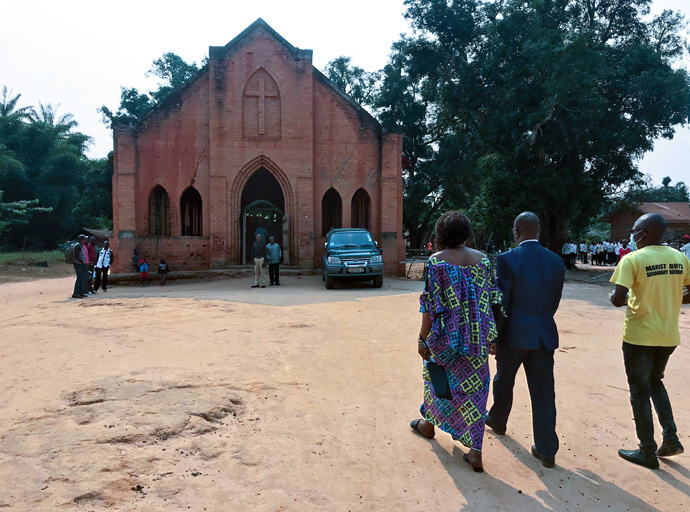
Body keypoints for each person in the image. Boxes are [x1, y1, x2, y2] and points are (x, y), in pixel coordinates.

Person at [410, 211, 504, 473]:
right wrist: (492, 336)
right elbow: (492, 299)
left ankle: (429, 425)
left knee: (436, 381)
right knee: (476, 392)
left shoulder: (436, 263)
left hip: (445, 339)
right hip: (477, 339)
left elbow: (430, 304)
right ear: (466, 233)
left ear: (441, 234)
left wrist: (422, 337)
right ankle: (475, 453)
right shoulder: (483, 261)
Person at [609, 213, 690, 469]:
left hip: (639, 336)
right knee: (656, 382)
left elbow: (617, 299)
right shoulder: (680, 258)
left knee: (639, 391)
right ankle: (671, 438)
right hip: (668, 336)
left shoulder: (632, 259)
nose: (632, 235)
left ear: (642, 233)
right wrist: (670, 301)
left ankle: (646, 450)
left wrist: (617, 295)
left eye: (634, 230)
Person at [486, 212, 565, 468]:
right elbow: (555, 299)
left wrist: (495, 335)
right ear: (539, 230)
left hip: (513, 335)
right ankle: (546, 449)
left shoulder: (508, 259)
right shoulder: (556, 261)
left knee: (503, 380)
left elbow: (503, 301)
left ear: (516, 231)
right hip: (543, 335)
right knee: (543, 392)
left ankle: (498, 421)